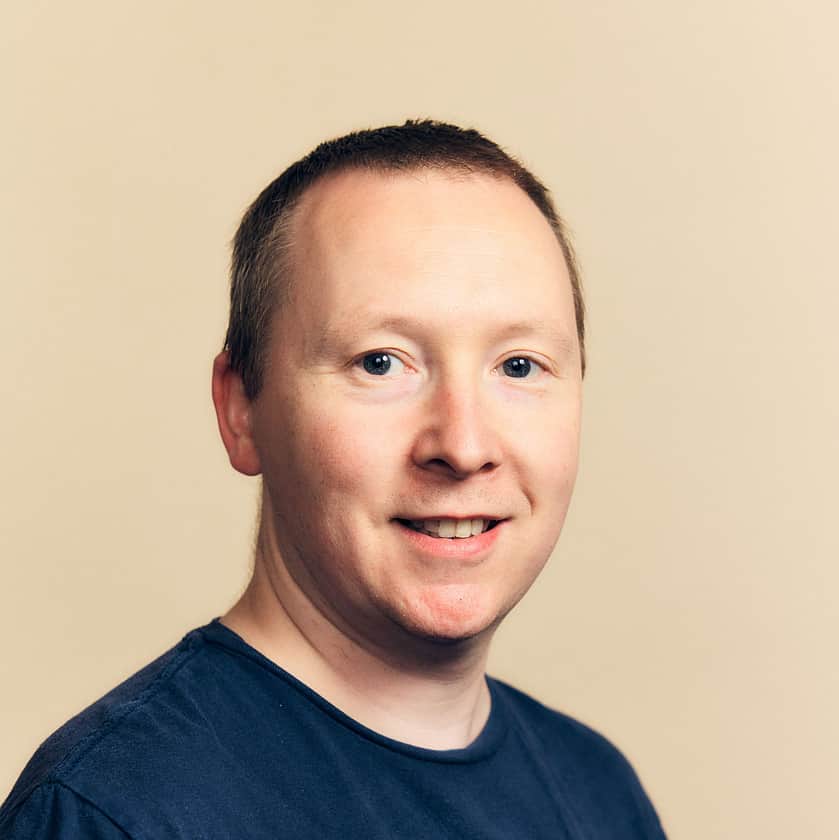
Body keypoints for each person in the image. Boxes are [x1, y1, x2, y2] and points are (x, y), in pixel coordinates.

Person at [0, 120, 666, 838]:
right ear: (241, 410)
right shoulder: (112, 813)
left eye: (518, 365)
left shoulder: (600, 793)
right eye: (380, 362)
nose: (464, 446)